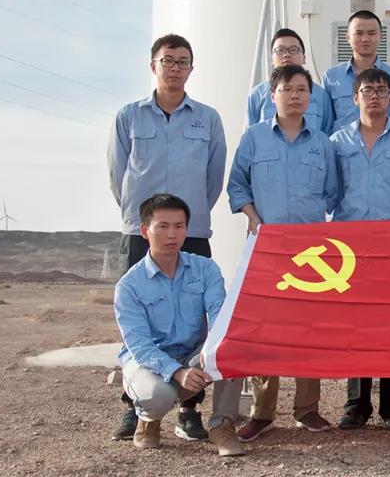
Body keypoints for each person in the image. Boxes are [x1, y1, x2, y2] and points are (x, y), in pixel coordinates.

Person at [107, 33, 227, 441]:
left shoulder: (207, 118)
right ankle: (138, 407)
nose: (175, 68)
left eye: (182, 61)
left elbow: (213, 177)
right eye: (167, 60)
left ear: (191, 68)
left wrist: (185, 220)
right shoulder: (129, 116)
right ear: (153, 65)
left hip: (190, 229)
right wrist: (143, 219)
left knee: (195, 318)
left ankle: (190, 409)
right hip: (142, 230)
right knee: (140, 315)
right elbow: (118, 173)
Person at [227, 63, 338, 440]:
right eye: (287, 89)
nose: (295, 95)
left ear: (311, 97)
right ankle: (262, 412)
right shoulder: (254, 138)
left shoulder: (323, 143)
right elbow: (237, 185)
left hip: (311, 252)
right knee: (266, 329)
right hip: (267, 249)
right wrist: (253, 217)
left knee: (308, 328)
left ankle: (307, 408)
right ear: (272, 95)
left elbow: (333, 193)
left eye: (302, 89)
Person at [113, 194, 245, 456]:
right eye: (162, 226)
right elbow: (139, 345)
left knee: (232, 349)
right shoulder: (129, 286)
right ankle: (148, 420)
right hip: (148, 362)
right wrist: (176, 371)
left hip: (194, 356)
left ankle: (221, 426)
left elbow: (219, 316)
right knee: (158, 395)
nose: (172, 234)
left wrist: (212, 351)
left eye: (179, 226)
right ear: (145, 231)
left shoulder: (205, 269)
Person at [330, 68, 390, 431]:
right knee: (358, 325)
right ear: (355, 97)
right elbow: (330, 191)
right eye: (367, 90)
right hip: (350, 246)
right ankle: (357, 405)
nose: (374, 96)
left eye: (382, 91)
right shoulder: (337, 141)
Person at [322, 10, 390, 132]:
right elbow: (326, 122)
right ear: (347, 37)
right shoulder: (331, 77)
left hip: (384, 141)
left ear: (380, 37)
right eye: (359, 33)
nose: (365, 39)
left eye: (371, 33)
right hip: (342, 142)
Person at [246, 28, 334, 134]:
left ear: (304, 58)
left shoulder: (321, 95)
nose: (286, 55)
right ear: (271, 59)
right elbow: (250, 136)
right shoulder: (256, 95)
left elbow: (328, 134)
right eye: (280, 50)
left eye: (293, 50)